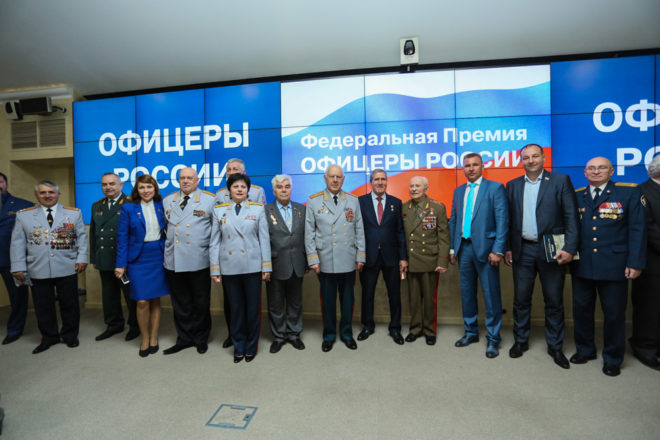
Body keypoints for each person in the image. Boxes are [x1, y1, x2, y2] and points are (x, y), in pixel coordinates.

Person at [503, 144, 578, 369]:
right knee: (521, 299)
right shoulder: (513, 185)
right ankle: (520, 341)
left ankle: (555, 346)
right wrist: (508, 247)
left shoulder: (560, 181)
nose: (531, 160)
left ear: (543, 158)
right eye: (526, 157)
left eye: (535, 156)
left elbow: (571, 217)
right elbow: (509, 220)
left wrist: (570, 248)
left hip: (552, 249)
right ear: (521, 161)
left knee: (554, 300)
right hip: (522, 249)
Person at [571, 156, 646, 376]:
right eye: (591, 168)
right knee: (582, 311)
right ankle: (585, 350)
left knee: (614, 315)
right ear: (585, 172)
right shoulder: (577, 195)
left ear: (611, 171)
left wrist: (635, 262)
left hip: (615, 265)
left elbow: (638, 229)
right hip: (582, 265)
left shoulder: (628, 193)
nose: (596, 171)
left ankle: (613, 358)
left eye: (601, 168)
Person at [10, 180, 87, 354]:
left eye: (51, 192)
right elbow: (17, 243)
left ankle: (70, 335)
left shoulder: (73, 213)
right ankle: (49, 337)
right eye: (43, 192)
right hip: (38, 267)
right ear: (36, 195)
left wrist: (82, 258)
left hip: (67, 266)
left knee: (70, 304)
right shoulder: (23, 215)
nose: (47, 195)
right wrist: (18, 267)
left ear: (58, 194)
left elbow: (82, 238)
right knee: (43, 305)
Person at [449, 153, 508, 358]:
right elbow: (454, 221)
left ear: (482, 167)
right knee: (467, 294)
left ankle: (493, 338)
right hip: (464, 249)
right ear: (463, 169)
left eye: (475, 165)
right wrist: (452, 249)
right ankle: (471, 332)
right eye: (467, 165)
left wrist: (498, 249)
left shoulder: (495, 188)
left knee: (491, 295)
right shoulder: (458, 191)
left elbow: (502, 220)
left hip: (487, 250)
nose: (471, 168)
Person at [210, 173, 271, 363]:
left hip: (252, 266)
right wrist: (215, 269)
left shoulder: (258, 209)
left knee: (252, 310)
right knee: (235, 310)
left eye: (243, 187)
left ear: (248, 190)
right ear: (229, 190)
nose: (239, 190)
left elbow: (264, 239)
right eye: (235, 186)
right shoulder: (219, 210)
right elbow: (214, 242)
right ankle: (239, 346)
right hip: (229, 267)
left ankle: (251, 346)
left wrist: (266, 266)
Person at [305, 164, 365, 352]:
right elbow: (309, 233)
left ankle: (347, 334)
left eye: (338, 177)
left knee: (347, 301)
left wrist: (360, 256)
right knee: (328, 302)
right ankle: (329, 335)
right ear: (325, 178)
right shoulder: (314, 201)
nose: (335, 180)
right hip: (325, 259)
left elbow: (359, 230)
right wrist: (313, 259)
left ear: (343, 179)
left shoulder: (353, 200)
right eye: (331, 176)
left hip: (348, 258)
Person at [162, 167, 216, 355]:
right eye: (182, 178)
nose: (185, 181)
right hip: (174, 259)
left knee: (200, 302)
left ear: (197, 180)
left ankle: (201, 338)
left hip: (198, 258)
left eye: (189, 178)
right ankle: (184, 338)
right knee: (180, 303)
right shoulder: (168, 200)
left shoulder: (209, 200)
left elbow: (215, 231)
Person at [115, 174, 170, 358]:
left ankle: (154, 337)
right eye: (142, 187)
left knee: (155, 300)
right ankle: (144, 338)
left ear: (155, 188)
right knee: (142, 301)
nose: (146, 191)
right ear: (136, 190)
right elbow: (122, 238)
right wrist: (121, 264)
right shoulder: (128, 208)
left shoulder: (162, 205)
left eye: (149, 187)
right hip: (137, 259)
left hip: (158, 256)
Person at [358, 169, 408, 345]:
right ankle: (367, 326)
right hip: (368, 256)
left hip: (391, 256)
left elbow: (400, 232)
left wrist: (403, 257)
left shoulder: (396, 202)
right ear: (371, 182)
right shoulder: (360, 202)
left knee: (394, 294)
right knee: (367, 294)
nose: (380, 182)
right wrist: (358, 256)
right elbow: (357, 230)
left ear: (387, 181)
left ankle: (395, 328)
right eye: (376, 179)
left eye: (383, 179)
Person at [90, 173, 138, 342]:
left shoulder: (132, 203)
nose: (108, 187)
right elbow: (94, 233)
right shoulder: (97, 205)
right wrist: (94, 258)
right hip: (105, 257)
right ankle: (114, 324)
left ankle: (135, 326)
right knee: (109, 295)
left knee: (131, 295)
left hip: (125, 259)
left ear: (121, 185)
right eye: (104, 184)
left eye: (112, 183)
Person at [401, 176, 448, 345]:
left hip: (429, 260)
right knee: (413, 298)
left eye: (418, 186)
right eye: (411, 186)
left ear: (426, 189)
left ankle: (429, 330)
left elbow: (443, 237)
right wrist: (402, 258)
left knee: (429, 299)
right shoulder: (404, 207)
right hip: (411, 260)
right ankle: (415, 329)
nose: (413, 189)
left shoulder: (437, 207)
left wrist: (442, 262)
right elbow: (401, 236)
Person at [264, 175, 306, 353]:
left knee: (295, 301)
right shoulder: (265, 211)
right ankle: (279, 336)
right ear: (274, 191)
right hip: (275, 263)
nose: (283, 190)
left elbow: (306, 236)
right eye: (280, 187)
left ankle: (294, 334)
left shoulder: (301, 209)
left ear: (291, 189)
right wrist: (265, 265)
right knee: (276, 303)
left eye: (287, 186)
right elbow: (262, 240)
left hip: (297, 263)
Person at [629, 154, 660, 370]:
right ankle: (645, 347)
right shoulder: (641, 191)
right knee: (650, 308)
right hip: (651, 262)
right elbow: (646, 228)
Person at [0, 172, 34, 345]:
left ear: (6, 184)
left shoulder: (24, 205)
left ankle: (14, 329)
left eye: (0, 182)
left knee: (18, 297)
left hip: (11, 260)